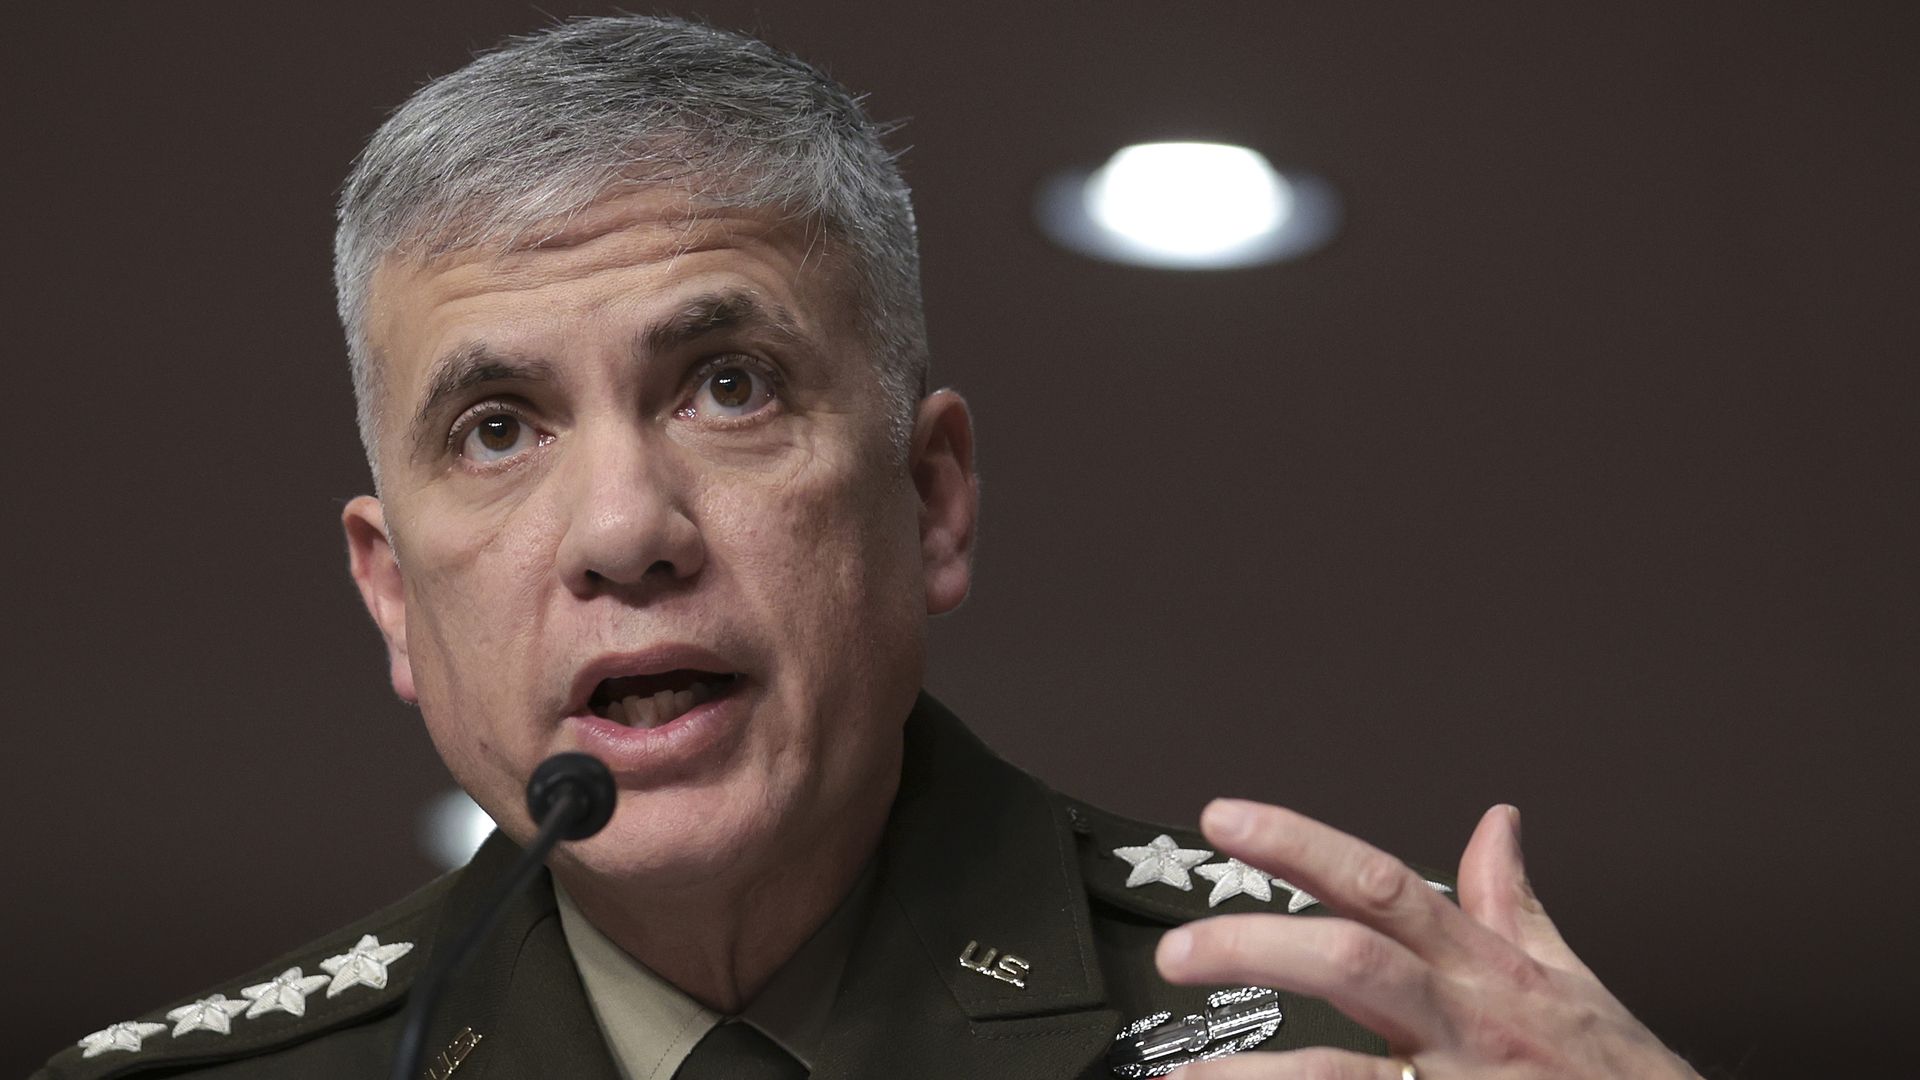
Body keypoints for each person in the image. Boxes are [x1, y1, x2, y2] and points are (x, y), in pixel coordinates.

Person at [36, 16, 1705, 1080]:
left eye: (728, 386)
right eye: (497, 428)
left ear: (933, 499)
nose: (624, 530)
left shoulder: (1375, 1032)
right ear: (393, 596)